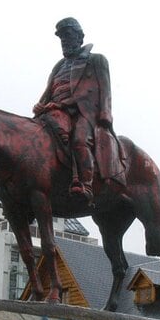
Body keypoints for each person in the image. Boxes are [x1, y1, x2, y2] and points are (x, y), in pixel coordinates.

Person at [34, 17, 117, 204]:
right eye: (62, 38)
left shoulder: (96, 60)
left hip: (83, 112)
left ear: (80, 37)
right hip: (52, 111)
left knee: (80, 140)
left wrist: (105, 114)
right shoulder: (59, 66)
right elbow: (49, 90)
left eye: (68, 36)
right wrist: (40, 105)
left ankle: (85, 183)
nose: (65, 41)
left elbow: (103, 90)